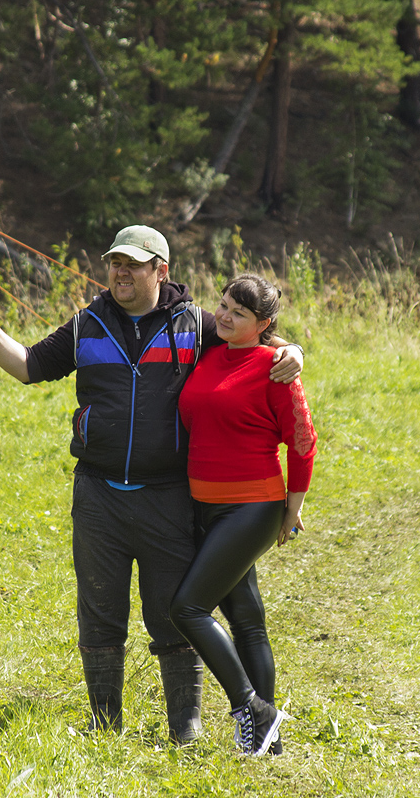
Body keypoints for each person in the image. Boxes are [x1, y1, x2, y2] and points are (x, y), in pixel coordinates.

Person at [0, 226, 303, 744]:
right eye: (115, 262)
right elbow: (28, 366)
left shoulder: (196, 324)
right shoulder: (86, 324)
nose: (120, 272)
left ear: (161, 271)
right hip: (98, 493)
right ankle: (104, 726)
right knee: (100, 613)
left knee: (172, 613)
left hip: (170, 495)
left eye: (133, 265)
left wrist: (294, 350)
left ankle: (186, 729)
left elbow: (253, 335)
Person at [171, 273, 316, 756]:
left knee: (188, 608)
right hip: (204, 505)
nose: (225, 316)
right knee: (246, 618)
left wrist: (293, 507)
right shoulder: (209, 353)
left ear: (264, 324)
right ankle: (268, 741)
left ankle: (250, 708)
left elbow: (302, 441)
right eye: (224, 305)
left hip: (253, 505)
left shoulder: (276, 367)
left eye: (240, 313)